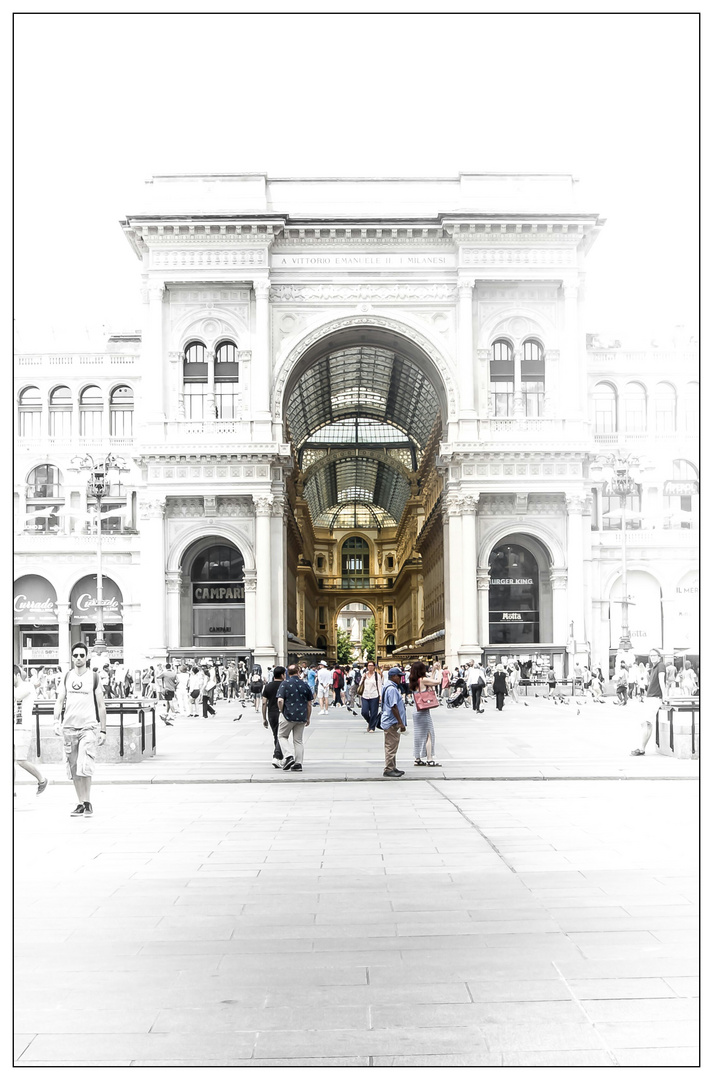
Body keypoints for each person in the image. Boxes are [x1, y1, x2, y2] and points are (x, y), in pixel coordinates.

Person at [53, 642, 107, 817]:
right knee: (74, 767)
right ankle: (80, 802)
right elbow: (60, 700)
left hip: (88, 727)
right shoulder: (67, 676)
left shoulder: (94, 677)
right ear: (72, 657)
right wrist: (56, 721)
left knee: (85, 765)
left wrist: (103, 730)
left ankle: (88, 801)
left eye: (81, 655)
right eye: (75, 655)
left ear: (87, 657)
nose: (78, 658)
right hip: (69, 727)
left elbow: (101, 705)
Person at [14, 665, 48, 798]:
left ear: (17, 675)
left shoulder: (27, 686)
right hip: (14, 728)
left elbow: (18, 697)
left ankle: (42, 780)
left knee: (21, 760)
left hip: (23, 728)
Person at [276, 663, 313, 772]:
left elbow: (280, 700)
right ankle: (298, 763)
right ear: (298, 672)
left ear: (287, 673)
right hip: (301, 715)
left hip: (288, 714)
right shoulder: (304, 684)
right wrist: (308, 717)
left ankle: (288, 755)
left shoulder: (285, 684)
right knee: (298, 740)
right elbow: (309, 703)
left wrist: (281, 710)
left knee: (282, 736)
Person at [631, 648, 667, 756]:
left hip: (655, 698)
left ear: (659, 657)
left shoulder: (661, 666)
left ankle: (641, 748)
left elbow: (661, 680)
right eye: (651, 656)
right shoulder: (654, 667)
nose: (652, 657)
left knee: (646, 723)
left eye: (654, 655)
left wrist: (664, 696)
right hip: (651, 697)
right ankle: (642, 748)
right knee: (646, 723)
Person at [409, 660, 441, 767]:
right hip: (423, 711)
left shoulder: (414, 681)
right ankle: (429, 759)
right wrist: (440, 671)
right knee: (429, 735)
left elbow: (430, 681)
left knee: (418, 735)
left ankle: (417, 758)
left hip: (416, 710)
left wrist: (433, 671)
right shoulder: (422, 680)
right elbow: (437, 682)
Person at [380, 667, 407, 777]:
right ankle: (389, 769)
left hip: (390, 720)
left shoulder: (388, 686)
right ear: (394, 676)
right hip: (392, 721)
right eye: (399, 676)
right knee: (391, 746)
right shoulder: (391, 689)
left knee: (392, 745)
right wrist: (400, 722)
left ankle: (392, 766)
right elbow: (393, 706)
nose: (400, 678)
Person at [262, 665, 285, 768]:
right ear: (282, 675)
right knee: (281, 735)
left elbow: (264, 703)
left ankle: (279, 756)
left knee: (276, 735)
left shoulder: (268, 686)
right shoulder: (285, 685)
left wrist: (264, 718)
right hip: (282, 712)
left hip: (271, 713)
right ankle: (276, 756)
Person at [359, 660, 382, 731]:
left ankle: (372, 727)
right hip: (365, 695)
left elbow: (379, 686)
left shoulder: (377, 675)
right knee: (364, 712)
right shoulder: (364, 674)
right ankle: (371, 722)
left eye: (372, 666)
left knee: (373, 712)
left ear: (374, 667)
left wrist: (380, 696)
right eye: (369, 666)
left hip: (374, 695)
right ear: (367, 667)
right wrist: (362, 679)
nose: (370, 667)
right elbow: (360, 684)